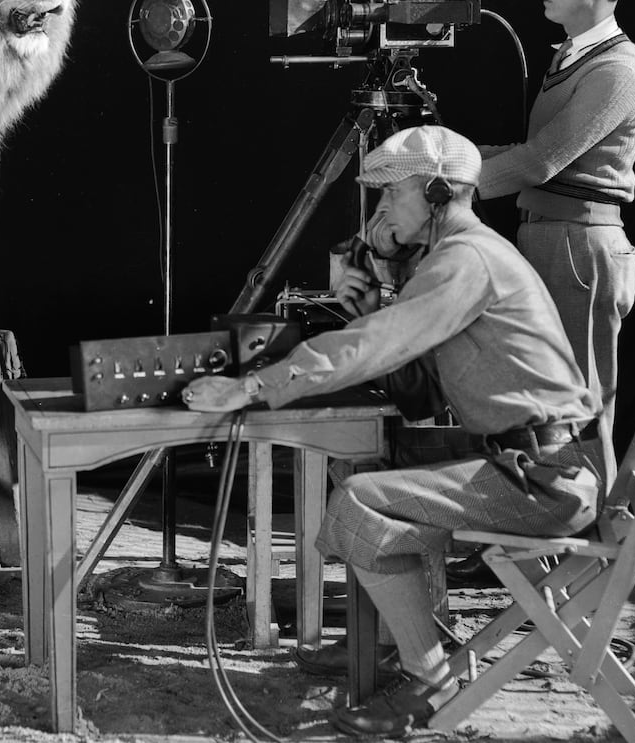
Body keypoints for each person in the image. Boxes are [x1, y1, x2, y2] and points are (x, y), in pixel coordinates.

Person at [182, 125, 603, 737]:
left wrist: (251, 387)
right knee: (372, 481)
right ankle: (387, 644)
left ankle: (428, 680)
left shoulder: (466, 260)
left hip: (542, 481)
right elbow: (422, 395)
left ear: (436, 194)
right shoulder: (453, 259)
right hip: (540, 466)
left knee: (360, 502)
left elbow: (374, 349)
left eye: (389, 200)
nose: (378, 218)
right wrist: (378, 300)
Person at [477, 0, 635, 490]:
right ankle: (530, 536)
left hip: (579, 247)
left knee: (580, 399)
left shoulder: (616, 70)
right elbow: (532, 154)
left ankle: (591, 549)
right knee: (538, 398)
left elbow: (540, 162)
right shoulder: (575, 56)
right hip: (549, 238)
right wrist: (448, 155)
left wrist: (450, 180)